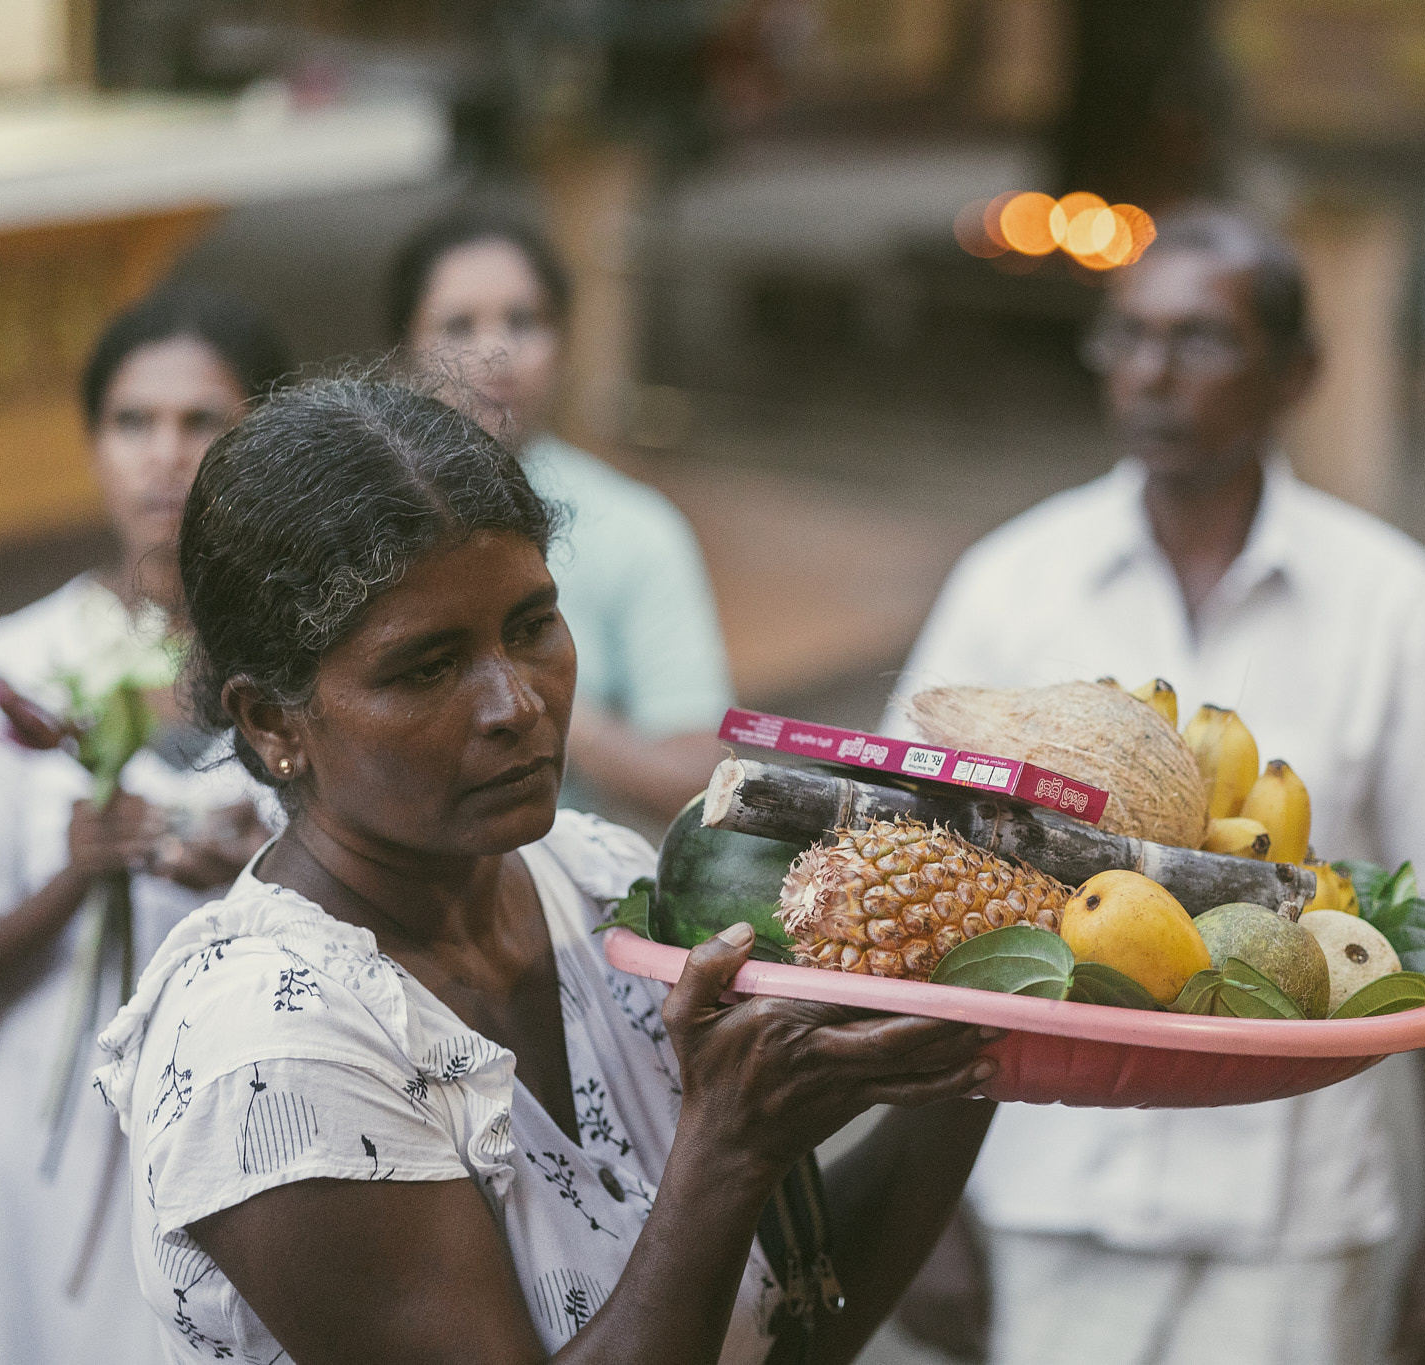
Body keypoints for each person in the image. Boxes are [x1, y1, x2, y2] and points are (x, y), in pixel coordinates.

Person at [94, 376, 999, 1364]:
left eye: (530, 627)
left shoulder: (601, 884)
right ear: (273, 724)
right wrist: (730, 1151)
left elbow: (788, 1326)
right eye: (427, 668)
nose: (514, 703)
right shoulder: (269, 1056)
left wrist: (970, 1047)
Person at [883, 207, 1425, 1365]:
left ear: (1295, 373)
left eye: (1197, 342)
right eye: (1127, 336)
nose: (1148, 372)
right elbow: (922, 887)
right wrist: (912, 1206)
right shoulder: (1010, 585)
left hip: (1288, 1221)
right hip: (1044, 1197)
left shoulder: (1397, 605)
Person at [0, 286, 292, 1365]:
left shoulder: (311, 665)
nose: (163, 456)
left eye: (199, 421)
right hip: (54, 1156)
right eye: (131, 422)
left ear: (259, 445)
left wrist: (262, 878)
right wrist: (77, 875)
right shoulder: (17, 665)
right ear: (92, 446)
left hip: (259, 1145)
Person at [387, 205, 732, 828]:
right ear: (404, 350)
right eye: (459, 325)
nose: (495, 351)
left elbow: (701, 784)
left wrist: (538, 691)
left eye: (523, 321)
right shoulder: (356, 523)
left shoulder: (637, 530)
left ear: (564, 342)